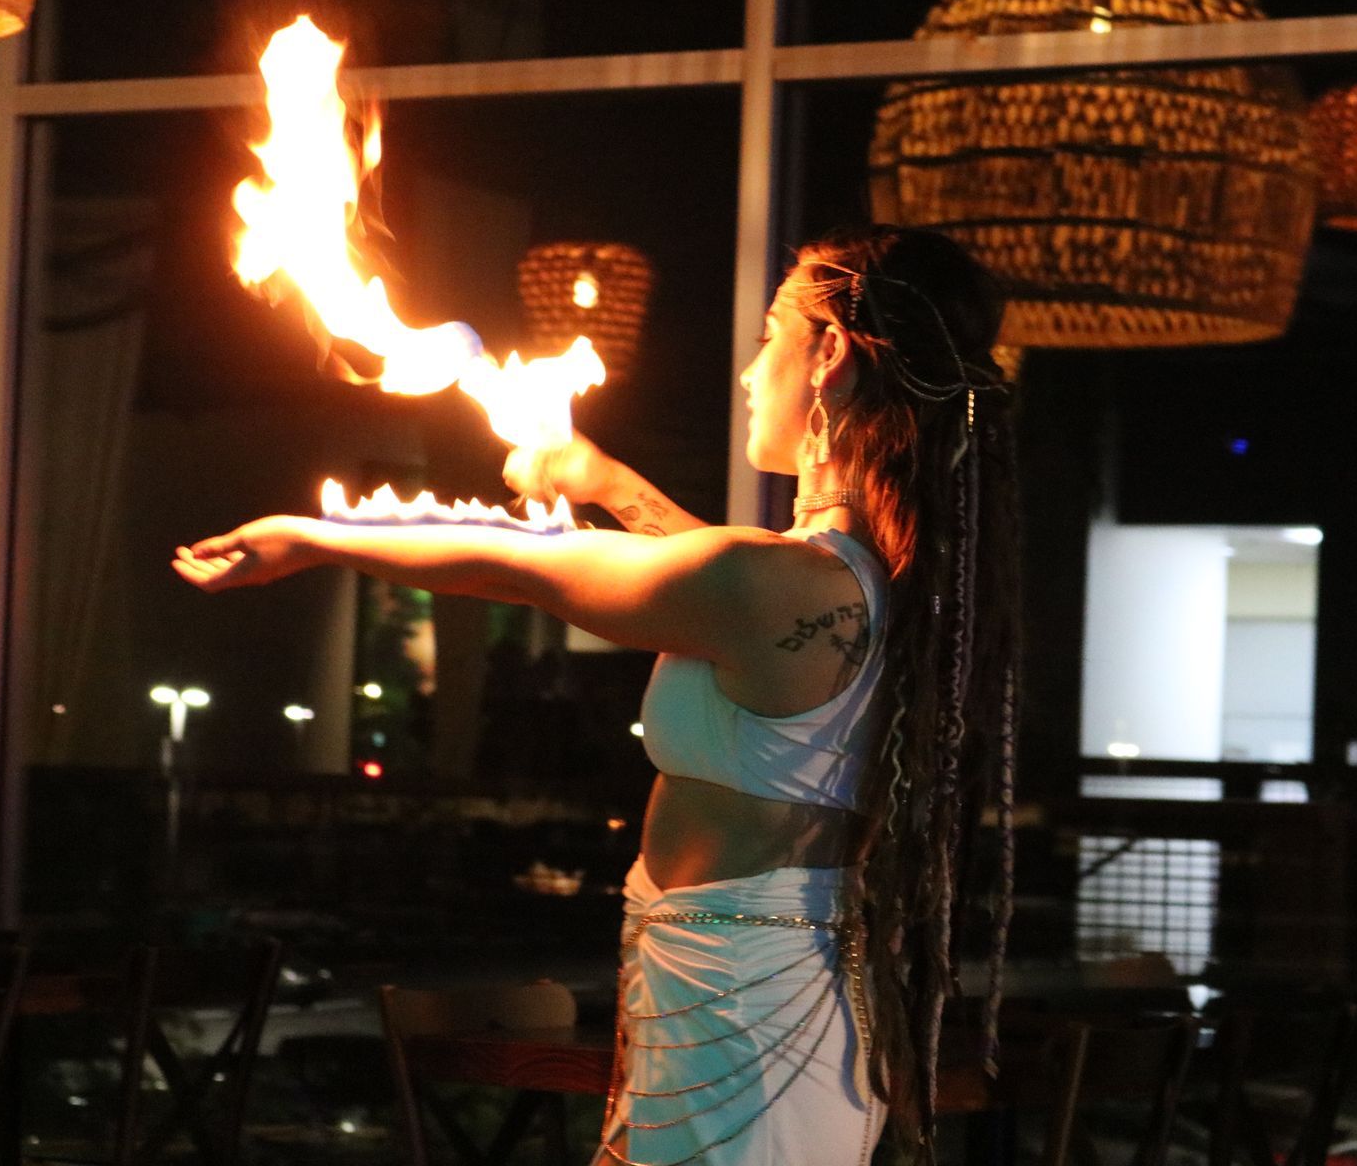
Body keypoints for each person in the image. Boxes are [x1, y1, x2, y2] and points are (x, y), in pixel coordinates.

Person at [172, 225, 1022, 1164]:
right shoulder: (842, 581)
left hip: (746, 1017)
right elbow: (702, 573)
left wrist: (312, 537)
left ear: (829, 356)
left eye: (770, 333)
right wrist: (604, 479)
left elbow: (518, 566)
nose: (748, 372)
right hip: (737, 995)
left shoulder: (779, 583)